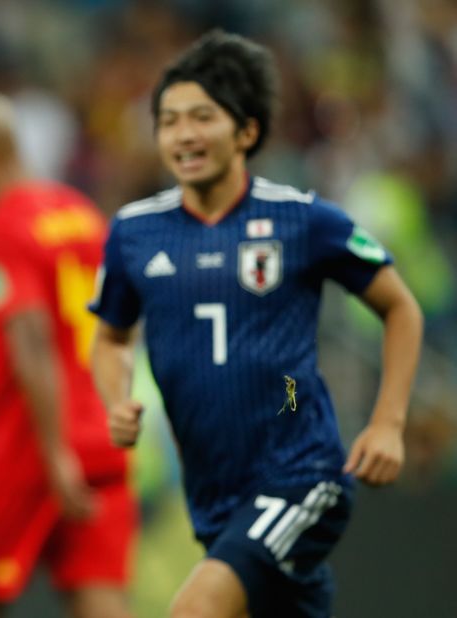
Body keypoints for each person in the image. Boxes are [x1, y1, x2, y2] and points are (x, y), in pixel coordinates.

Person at [89, 30, 423, 618]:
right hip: (213, 493)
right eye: (168, 121)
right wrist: (116, 397)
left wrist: (388, 423)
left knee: (194, 610)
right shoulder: (134, 233)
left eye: (202, 117)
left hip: (300, 471)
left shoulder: (304, 221)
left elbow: (401, 308)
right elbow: (111, 337)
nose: (183, 134)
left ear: (246, 131)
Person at [0, 90, 136, 618]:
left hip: (30, 445)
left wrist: (53, 452)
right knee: (101, 599)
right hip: (100, 437)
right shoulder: (81, 213)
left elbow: (31, 338)